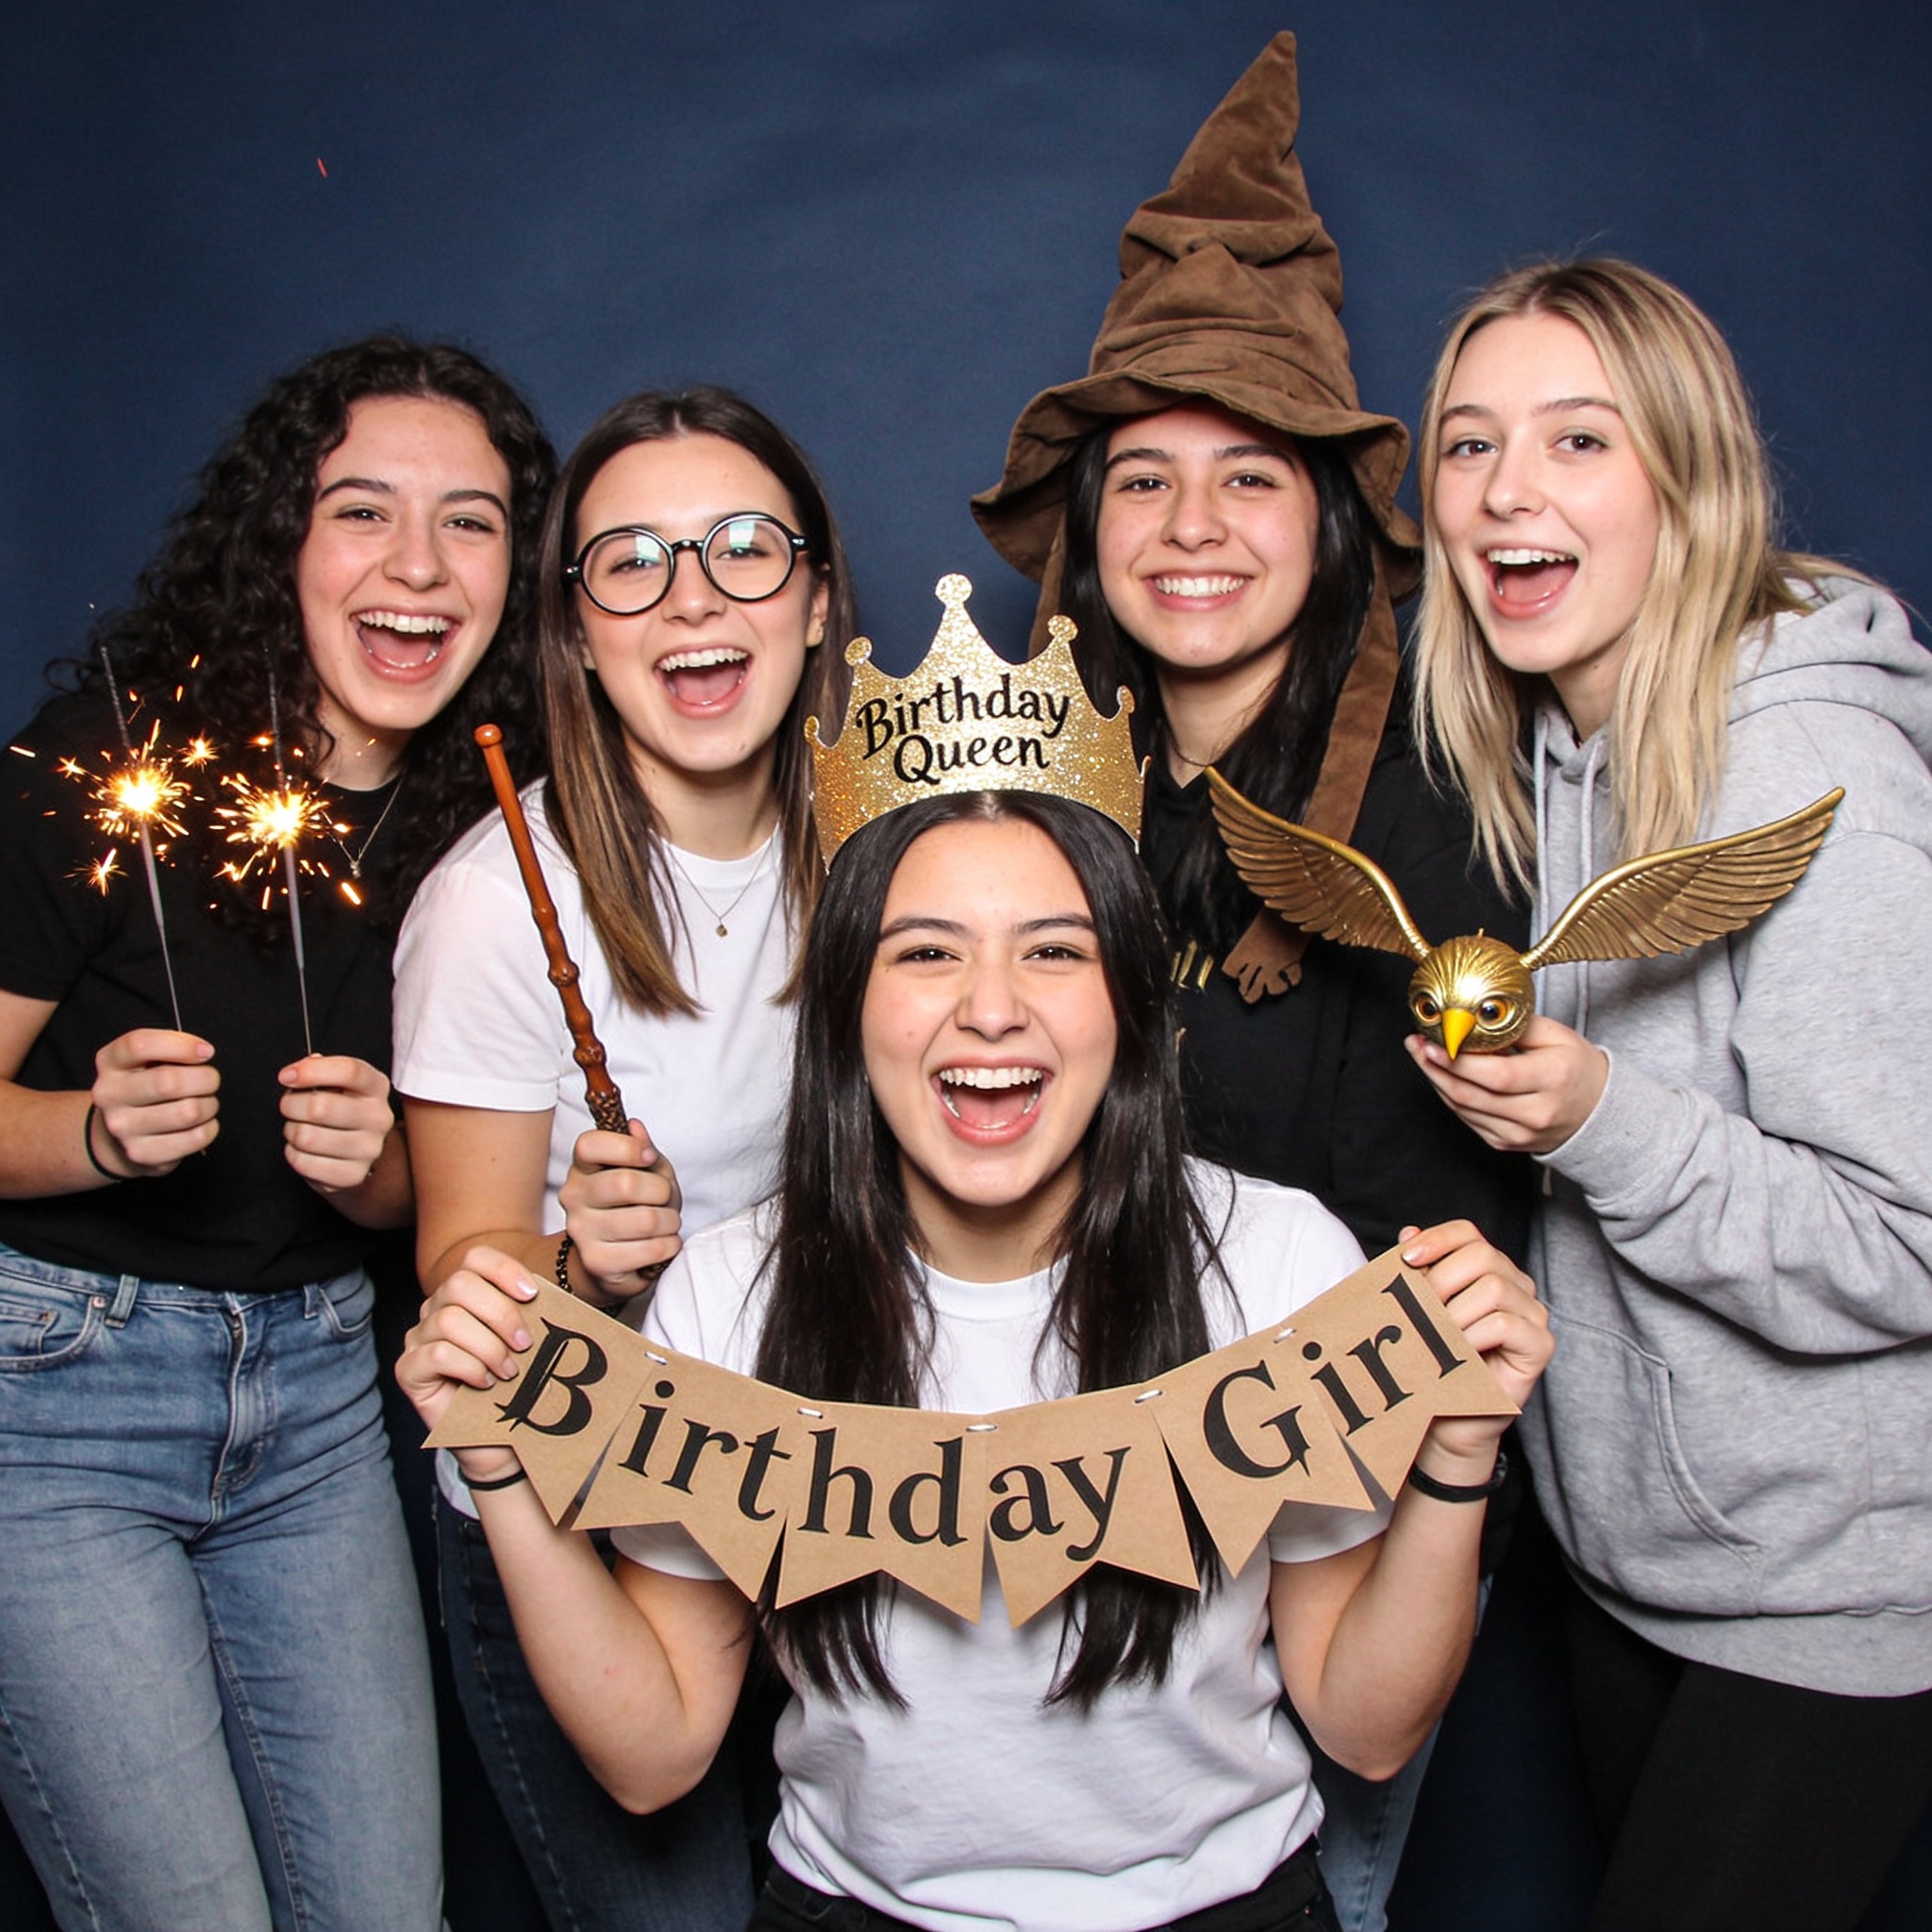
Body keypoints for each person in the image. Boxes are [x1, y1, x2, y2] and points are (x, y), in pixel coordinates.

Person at [397, 580, 1551, 1932]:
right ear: (848, 1005)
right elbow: (652, 1760)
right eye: (926, 950)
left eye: (1053, 951)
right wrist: (503, 1467)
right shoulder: (731, 1292)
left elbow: (1363, 1732)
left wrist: (1458, 1459)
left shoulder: (1280, 1261)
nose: (990, 1009)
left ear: (1128, 1001)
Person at [971, 35, 1531, 1929]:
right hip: (1025, 1512)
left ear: (1327, 520)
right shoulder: (1008, 804)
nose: (1192, 529)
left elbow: (1455, 1231)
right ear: (1084, 526)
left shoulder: (1447, 828)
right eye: (1144, 480)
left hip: (1329, 1513)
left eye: (1248, 479)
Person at [0, 336, 555, 1930]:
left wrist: (379, 1165)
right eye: (361, 511)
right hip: (56, 1403)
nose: (416, 566)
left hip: (316, 1402)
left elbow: (428, 1208)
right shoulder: (109, 774)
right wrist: (90, 1138)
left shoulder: (495, 826)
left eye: (472, 521)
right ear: (281, 544)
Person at [1408, 256, 1932, 1930]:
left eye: (1577, 442)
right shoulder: (1567, 744)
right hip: (1646, 1571)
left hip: (1830, 1601)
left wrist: (1597, 1122)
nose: (1507, 493)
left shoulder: (1795, 759)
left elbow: (1917, 1236)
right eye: (1470, 445)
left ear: (1686, 485)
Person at [391, 385, 855, 1929]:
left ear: (816, 595)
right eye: (631, 562)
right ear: (577, 632)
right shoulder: (494, 906)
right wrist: (580, 1263)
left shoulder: (889, 853)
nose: (694, 597)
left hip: (831, 1478)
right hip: (586, 1506)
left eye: (741, 547)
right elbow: (457, 1269)